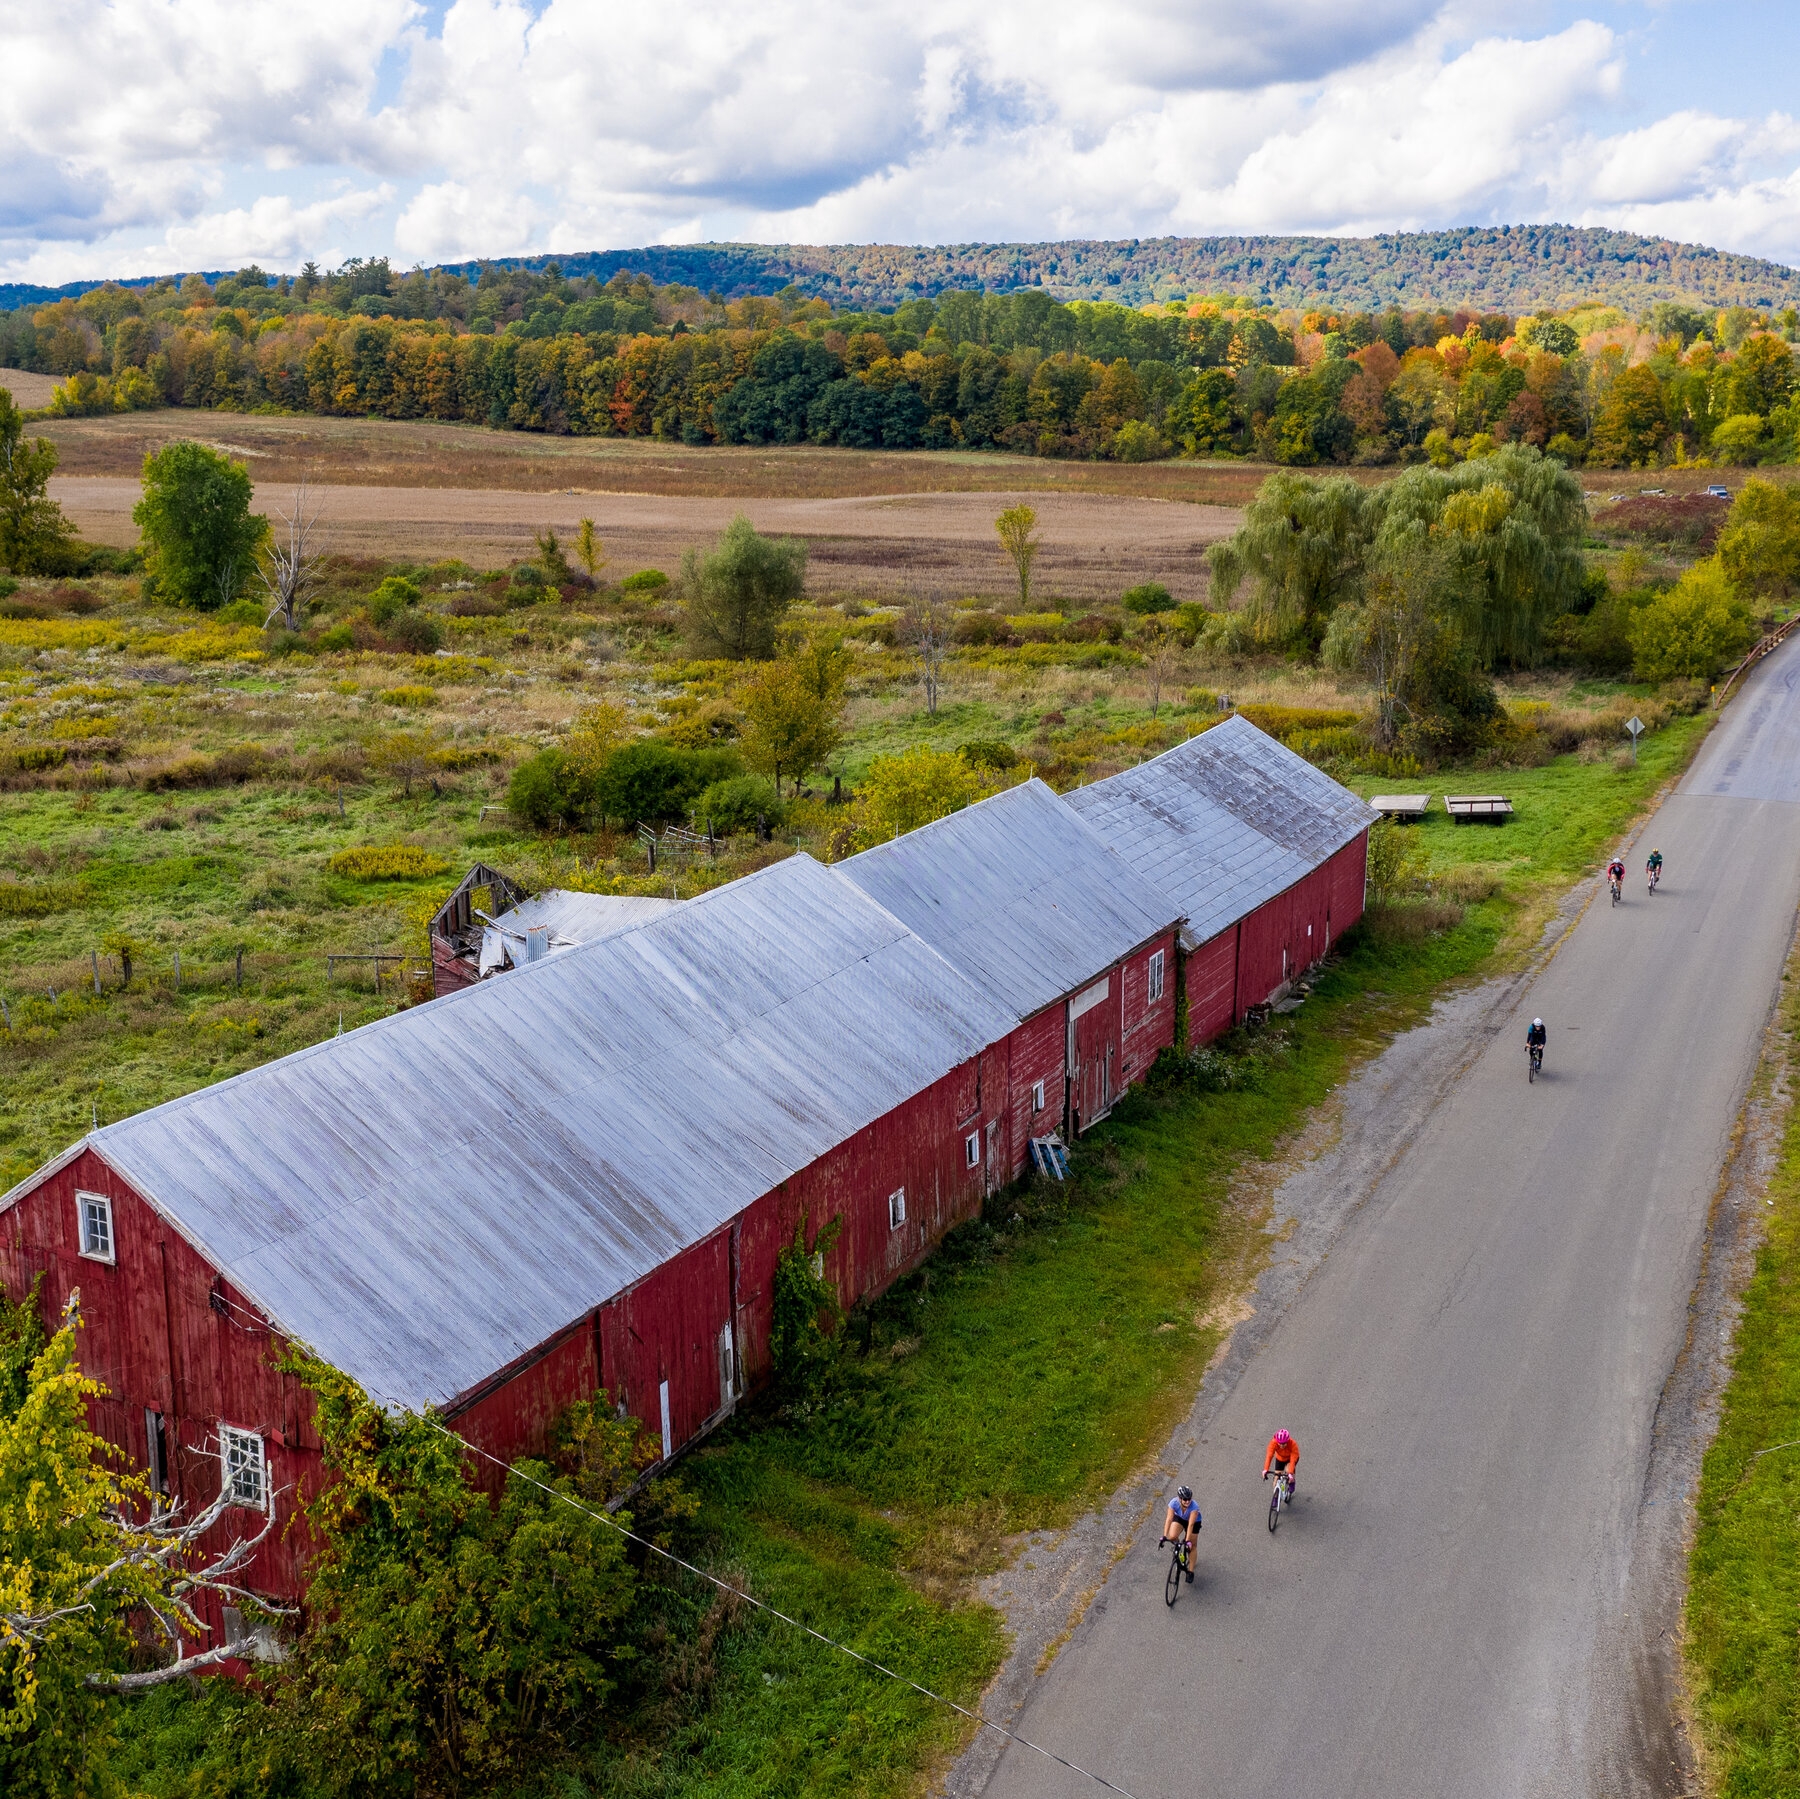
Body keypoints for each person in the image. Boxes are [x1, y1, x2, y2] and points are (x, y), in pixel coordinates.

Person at [1162, 1485, 1201, 1579]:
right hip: (1180, 1518)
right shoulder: (1173, 1503)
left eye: (1189, 1499)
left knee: (1192, 1545)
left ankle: (1191, 1571)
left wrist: (1187, 1541)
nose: (1187, 1501)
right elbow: (1169, 1519)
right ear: (1179, 1498)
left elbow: (1191, 1524)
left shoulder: (1194, 1506)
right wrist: (1164, 1536)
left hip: (1194, 1522)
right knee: (1171, 1536)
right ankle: (1179, 1547)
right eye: (1184, 1499)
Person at [1263, 1429, 1299, 1498]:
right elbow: (1269, 1456)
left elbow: (1292, 1460)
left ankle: (1292, 1482)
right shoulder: (1273, 1443)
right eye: (1279, 1443)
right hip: (1280, 1458)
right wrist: (1265, 1469)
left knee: (1288, 1471)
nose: (1281, 1445)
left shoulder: (1293, 1444)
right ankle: (1276, 1496)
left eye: (1284, 1443)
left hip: (1290, 1459)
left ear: (1288, 1441)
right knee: (1277, 1477)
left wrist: (1290, 1473)